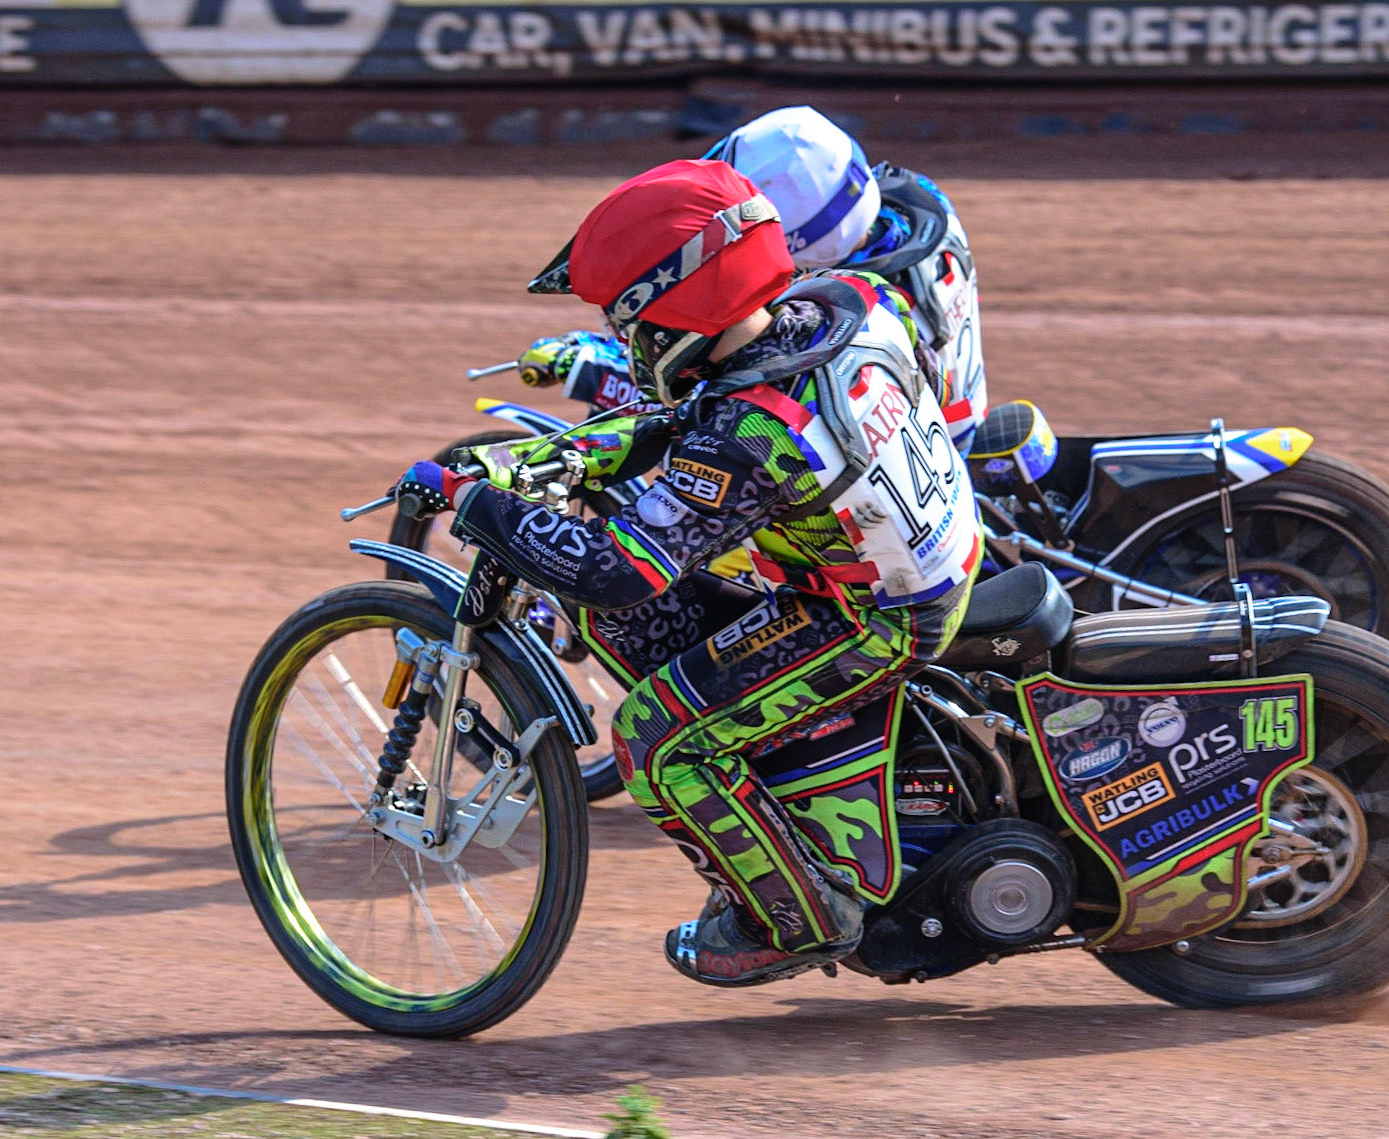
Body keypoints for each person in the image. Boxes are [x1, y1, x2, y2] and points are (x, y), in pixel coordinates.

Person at [392, 159, 982, 986]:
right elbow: (685, 419)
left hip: (874, 617)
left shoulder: (752, 431)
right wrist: (559, 455)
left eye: (625, 319)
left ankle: (800, 920)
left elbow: (619, 568)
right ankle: (787, 787)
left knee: (653, 740)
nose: (622, 339)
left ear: (672, 309)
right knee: (629, 634)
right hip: (931, 547)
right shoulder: (838, 302)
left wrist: (475, 501)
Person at [518, 105, 989, 455]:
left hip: (890, 454)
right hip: (942, 421)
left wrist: (597, 359)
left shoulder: (841, 302)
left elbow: (732, 375)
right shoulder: (920, 203)